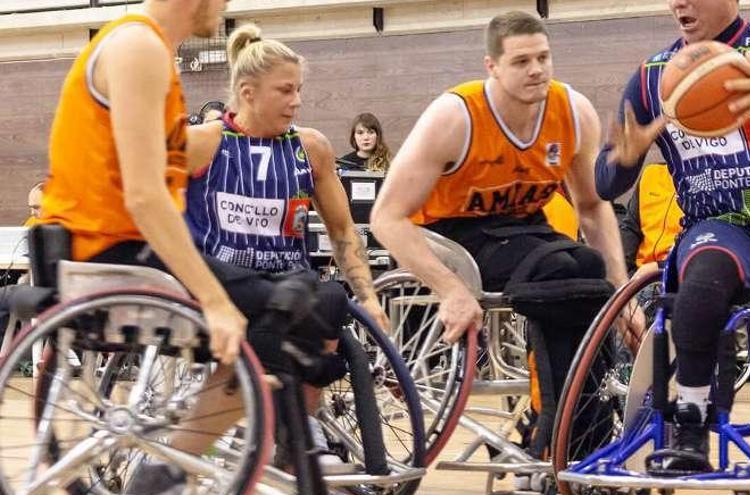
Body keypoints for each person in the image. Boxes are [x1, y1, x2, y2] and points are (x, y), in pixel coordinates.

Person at [37, 0, 326, 491]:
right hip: (111, 251)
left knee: (300, 304)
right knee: (295, 315)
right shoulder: (139, 46)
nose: (226, 7)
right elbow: (146, 196)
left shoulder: (147, 49)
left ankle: (193, 455)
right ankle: (170, 467)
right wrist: (212, 299)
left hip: (110, 248)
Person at [371, 11, 635, 483]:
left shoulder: (572, 111)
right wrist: (448, 288)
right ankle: (559, 438)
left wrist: (621, 291)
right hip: (448, 234)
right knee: (559, 270)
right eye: (521, 61)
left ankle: (580, 435)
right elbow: (385, 218)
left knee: (588, 268)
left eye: (543, 57)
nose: (536, 69)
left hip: (524, 229)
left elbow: (593, 209)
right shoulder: (455, 116)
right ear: (491, 66)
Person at [595, 0, 750, 475]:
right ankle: (690, 423)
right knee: (705, 273)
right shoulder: (653, 78)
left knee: (711, 269)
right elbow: (605, 184)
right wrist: (625, 158)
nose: (678, 3)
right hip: (721, 226)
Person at [185, 23, 389, 470]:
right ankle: (207, 436)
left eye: (299, 89)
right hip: (225, 282)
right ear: (248, 92)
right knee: (275, 310)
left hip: (289, 278)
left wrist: (370, 298)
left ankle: (303, 427)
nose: (297, 100)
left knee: (331, 298)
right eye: (285, 90)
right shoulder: (206, 143)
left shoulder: (310, 148)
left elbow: (341, 233)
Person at [618, 163, 683, 276]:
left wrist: (659, 266)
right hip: (637, 275)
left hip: (675, 275)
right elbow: (630, 228)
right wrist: (621, 271)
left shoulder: (714, 184)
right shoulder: (651, 173)